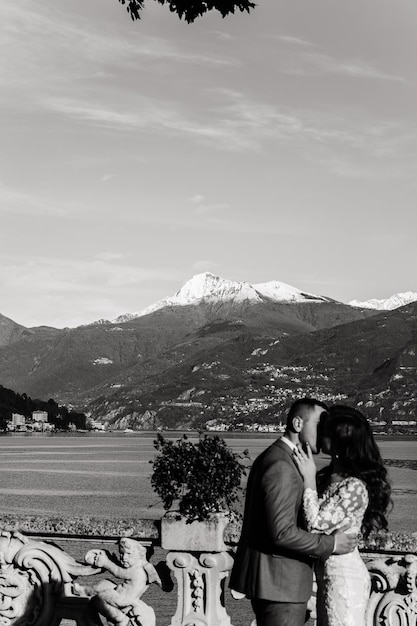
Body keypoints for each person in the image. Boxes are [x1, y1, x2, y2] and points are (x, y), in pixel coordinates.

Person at [230, 398, 357, 626]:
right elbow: (282, 533)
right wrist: (332, 544)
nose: (325, 431)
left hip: (276, 583)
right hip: (280, 585)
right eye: (319, 425)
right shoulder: (282, 466)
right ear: (298, 423)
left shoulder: (279, 458)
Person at [293, 404, 391, 626]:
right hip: (326, 577)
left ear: (338, 442)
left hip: (344, 579)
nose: (319, 434)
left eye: (325, 431)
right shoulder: (328, 479)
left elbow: (315, 526)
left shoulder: (354, 487)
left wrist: (308, 477)